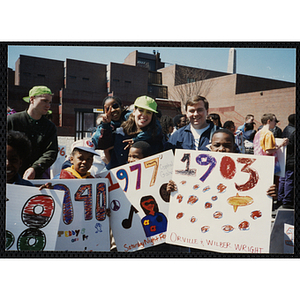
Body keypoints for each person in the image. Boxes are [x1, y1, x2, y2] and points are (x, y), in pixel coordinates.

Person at [96, 95, 163, 169]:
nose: (144, 115)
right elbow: (103, 145)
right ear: (134, 111)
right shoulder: (120, 130)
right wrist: (106, 125)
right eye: (141, 110)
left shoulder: (157, 136)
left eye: (148, 112)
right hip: (119, 176)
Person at [7, 86, 58, 180]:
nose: (48, 106)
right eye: (44, 101)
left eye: (50, 102)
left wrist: (36, 168)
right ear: (32, 99)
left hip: (36, 178)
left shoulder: (50, 127)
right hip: (10, 175)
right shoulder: (12, 121)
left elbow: (51, 151)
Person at [278, 114, 295, 209]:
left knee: (283, 179)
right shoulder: (294, 131)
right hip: (291, 158)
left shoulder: (285, 129)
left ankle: (280, 197)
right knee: (289, 179)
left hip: (284, 157)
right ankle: (287, 200)